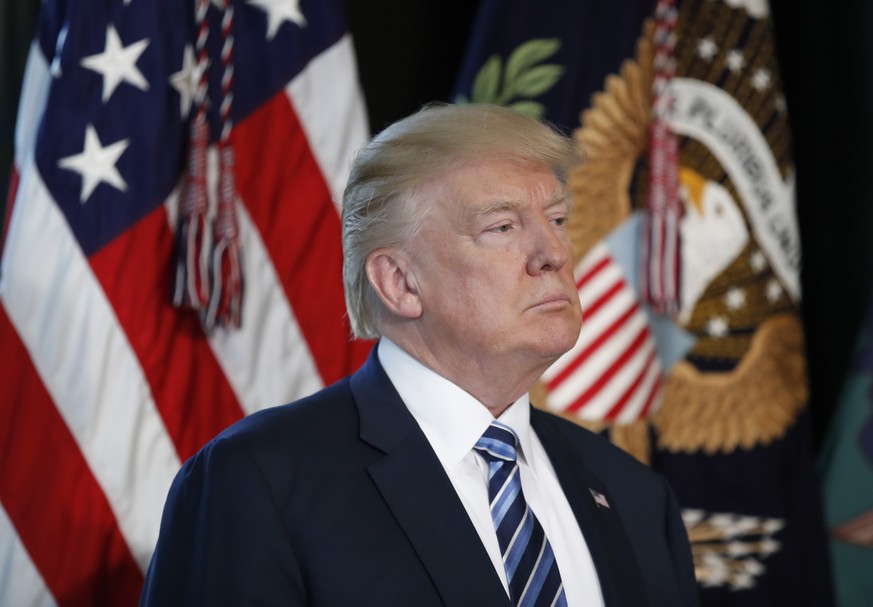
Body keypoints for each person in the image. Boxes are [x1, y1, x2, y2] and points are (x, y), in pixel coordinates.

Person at [139, 103, 699, 606]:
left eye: (556, 221)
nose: (553, 253)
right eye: (502, 226)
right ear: (400, 282)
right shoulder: (258, 482)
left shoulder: (634, 496)